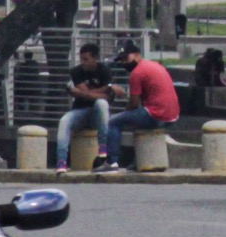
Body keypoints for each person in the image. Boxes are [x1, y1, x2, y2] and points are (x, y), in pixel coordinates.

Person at [102, 41, 180, 171]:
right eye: (121, 60)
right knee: (136, 119)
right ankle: (138, 161)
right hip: (173, 116)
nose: (124, 63)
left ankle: (111, 162)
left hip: (156, 115)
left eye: (126, 58)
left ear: (137, 55)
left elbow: (133, 104)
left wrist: (124, 114)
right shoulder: (154, 65)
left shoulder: (137, 73)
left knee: (113, 122)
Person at [55, 42, 115, 173]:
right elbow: (90, 94)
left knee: (101, 104)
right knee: (64, 120)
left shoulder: (104, 70)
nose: (83, 62)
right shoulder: (76, 72)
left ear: (95, 58)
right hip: (80, 111)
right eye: (81, 59)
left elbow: (106, 98)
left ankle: (103, 150)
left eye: (86, 59)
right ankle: (61, 161)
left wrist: (82, 93)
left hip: (97, 115)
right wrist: (103, 90)